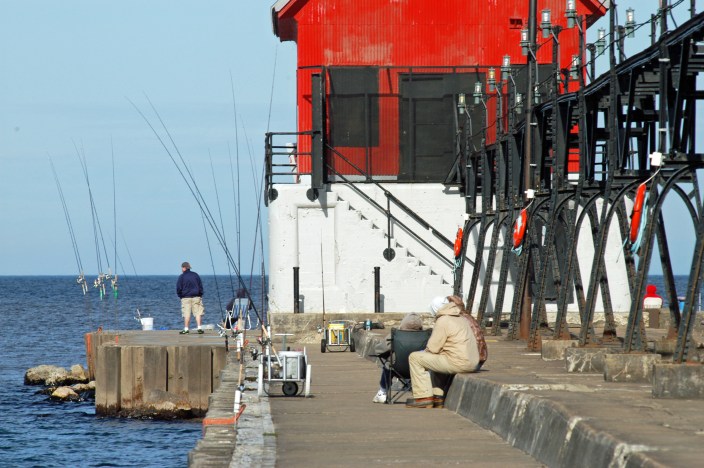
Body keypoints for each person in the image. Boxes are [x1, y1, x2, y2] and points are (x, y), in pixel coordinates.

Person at [406, 296, 480, 408]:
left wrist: (423, 352)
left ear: (435, 308)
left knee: (415, 357)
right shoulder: (460, 318)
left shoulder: (443, 320)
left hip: (459, 363)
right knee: (438, 359)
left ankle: (423, 397)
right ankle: (437, 397)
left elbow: (433, 348)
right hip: (472, 362)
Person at [371, 313, 424, 403]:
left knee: (388, 364)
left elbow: (382, 348)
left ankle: (383, 392)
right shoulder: (425, 335)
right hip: (420, 369)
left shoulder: (396, 334)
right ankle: (425, 393)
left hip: (398, 368)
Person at [176, 261, 205, 334]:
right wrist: (200, 294)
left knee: (186, 313)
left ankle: (186, 329)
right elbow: (200, 286)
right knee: (198, 313)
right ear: (189, 268)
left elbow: (178, 288)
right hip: (196, 296)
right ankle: (199, 328)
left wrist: (180, 296)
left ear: (183, 268)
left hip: (185, 297)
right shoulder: (195, 275)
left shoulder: (181, 277)